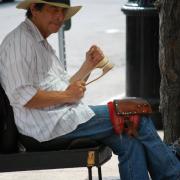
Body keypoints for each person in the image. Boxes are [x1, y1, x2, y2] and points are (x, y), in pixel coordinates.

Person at [0, 0, 180, 179]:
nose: (60, 17)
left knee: (129, 137)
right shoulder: (20, 42)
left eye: (63, 12)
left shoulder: (39, 42)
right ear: (34, 9)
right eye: (54, 9)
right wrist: (67, 95)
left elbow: (64, 89)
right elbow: (23, 96)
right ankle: (173, 173)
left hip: (58, 118)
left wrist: (88, 66)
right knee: (135, 111)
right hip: (45, 127)